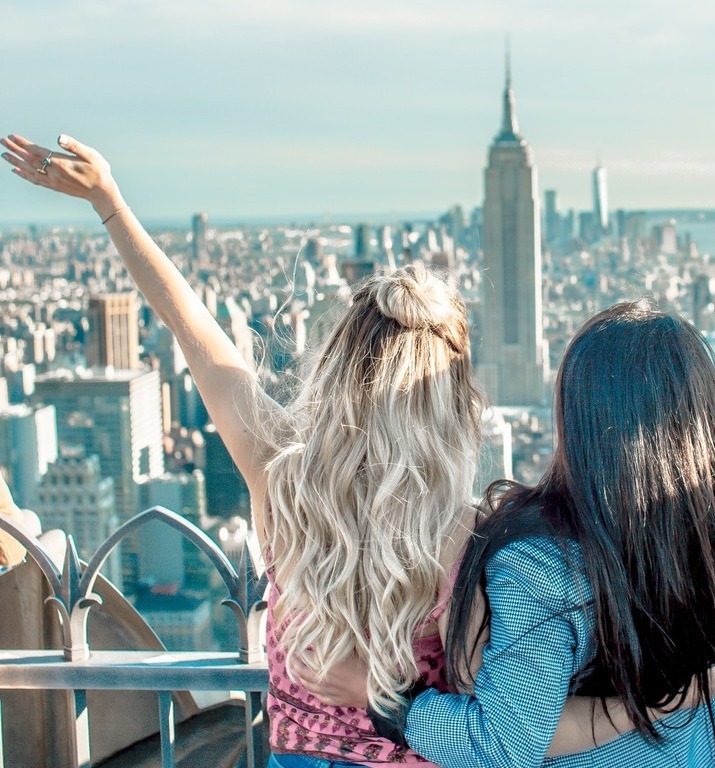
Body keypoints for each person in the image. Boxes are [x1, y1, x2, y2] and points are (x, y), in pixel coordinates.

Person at [297, 116, 715, 767]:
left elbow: (499, 746)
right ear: (699, 416)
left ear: (574, 419)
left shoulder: (537, 563)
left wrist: (386, 700)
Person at [2, 133, 487, 766]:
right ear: (446, 395)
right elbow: (492, 718)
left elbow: (192, 328)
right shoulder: (469, 533)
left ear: (340, 371)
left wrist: (109, 201)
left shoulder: (283, 480)